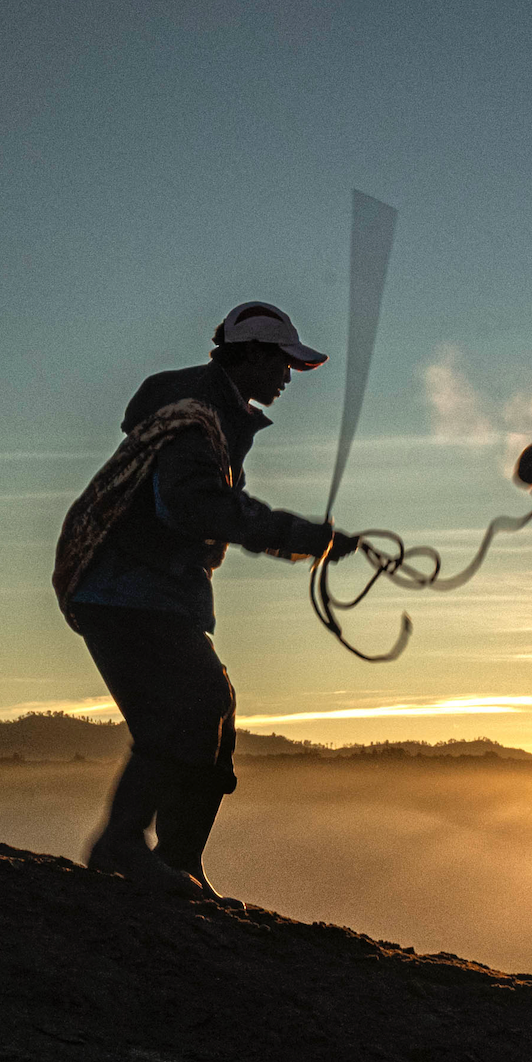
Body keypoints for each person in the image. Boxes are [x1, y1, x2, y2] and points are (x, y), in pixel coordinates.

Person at [52, 301, 358, 894]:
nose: (287, 377)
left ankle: (177, 865)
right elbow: (191, 506)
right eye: (282, 363)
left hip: (144, 590)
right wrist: (299, 536)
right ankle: (123, 846)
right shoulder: (196, 417)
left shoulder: (208, 414)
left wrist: (299, 539)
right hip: (126, 588)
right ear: (248, 354)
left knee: (208, 711)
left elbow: (200, 506)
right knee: (193, 707)